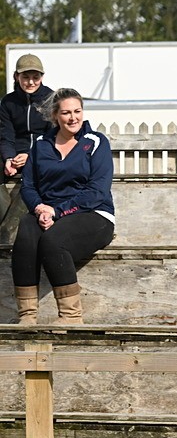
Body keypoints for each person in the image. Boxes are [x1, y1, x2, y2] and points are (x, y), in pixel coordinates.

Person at [12, 88, 115, 325]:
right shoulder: (40, 144)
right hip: (47, 213)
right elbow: (28, 186)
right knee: (26, 232)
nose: (73, 118)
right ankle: (27, 316)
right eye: (66, 113)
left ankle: (71, 316)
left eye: (77, 111)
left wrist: (56, 211)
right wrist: (39, 209)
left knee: (53, 240)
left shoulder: (96, 141)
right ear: (55, 116)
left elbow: (97, 192)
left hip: (93, 214)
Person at [1, 54, 52, 178]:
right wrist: (9, 158)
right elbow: (6, 135)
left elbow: (53, 137)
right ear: (17, 76)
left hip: (43, 153)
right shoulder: (8, 102)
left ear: (42, 77)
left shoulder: (51, 99)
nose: (31, 82)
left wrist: (31, 155)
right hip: (16, 155)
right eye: (25, 77)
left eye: (35, 77)